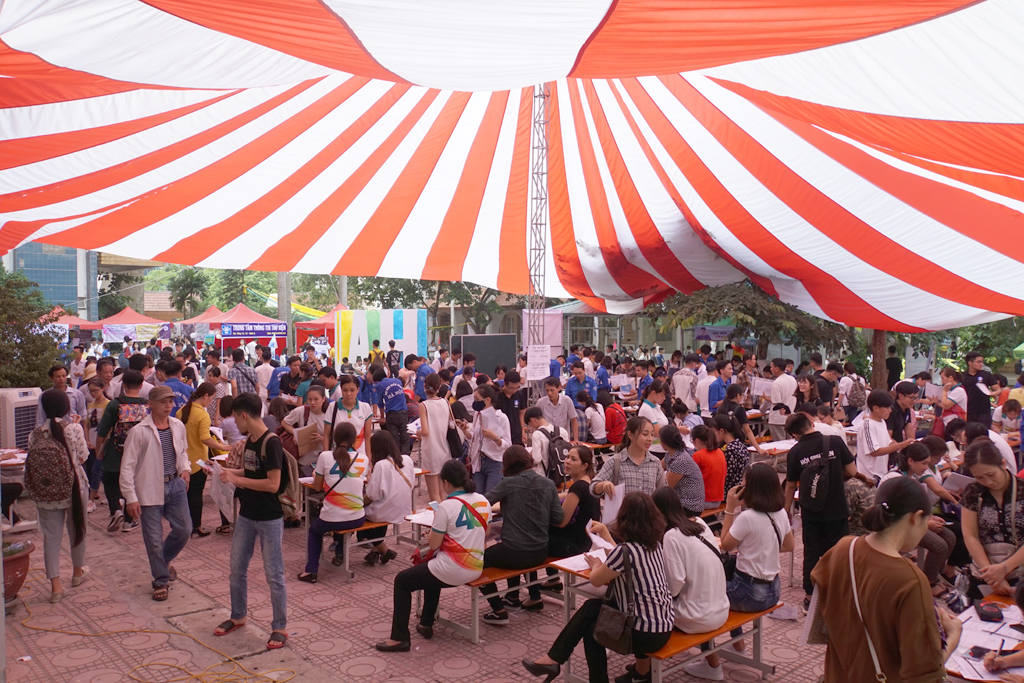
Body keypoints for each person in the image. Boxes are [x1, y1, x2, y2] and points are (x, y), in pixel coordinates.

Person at [811, 477, 963, 683]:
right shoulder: (910, 580)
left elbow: (822, 592)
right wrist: (953, 636)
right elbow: (924, 672)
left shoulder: (844, 548)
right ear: (916, 517)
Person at [522, 492, 673, 683]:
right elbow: (622, 557)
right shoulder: (654, 546)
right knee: (592, 608)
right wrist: (605, 535)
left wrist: (596, 565)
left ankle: (555, 660)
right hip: (663, 625)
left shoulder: (625, 551)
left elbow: (596, 580)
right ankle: (554, 659)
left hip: (643, 633)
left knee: (592, 630)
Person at [691, 464, 795, 681]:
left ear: (752, 488)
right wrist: (759, 547)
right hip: (773, 590)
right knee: (725, 583)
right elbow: (789, 545)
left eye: (744, 483)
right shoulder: (780, 513)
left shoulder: (748, 517)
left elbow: (726, 545)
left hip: (748, 593)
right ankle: (738, 646)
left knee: (703, 599)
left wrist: (730, 509)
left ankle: (711, 664)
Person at [377, 461, 491, 652]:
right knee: (432, 569)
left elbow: (434, 544)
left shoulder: (446, 507)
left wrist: (433, 533)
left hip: (452, 570)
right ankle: (426, 622)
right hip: (476, 567)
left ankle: (399, 638)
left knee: (402, 581)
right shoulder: (483, 501)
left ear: (445, 483)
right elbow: (484, 533)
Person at [214, 393, 289, 650]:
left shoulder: (271, 442)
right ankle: (238, 615)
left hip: (269, 518)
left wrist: (237, 480)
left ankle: (279, 626)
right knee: (237, 568)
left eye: (236, 418)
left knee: (274, 574)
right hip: (247, 515)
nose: (235, 423)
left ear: (244, 415)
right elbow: (252, 471)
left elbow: (272, 484)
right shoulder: (249, 442)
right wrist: (226, 472)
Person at [119, 386, 191, 601]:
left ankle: (162, 561)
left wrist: (185, 469)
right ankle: (160, 579)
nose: (168, 406)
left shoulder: (177, 426)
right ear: (151, 404)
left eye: (170, 401)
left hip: (174, 485)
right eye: (163, 402)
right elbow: (127, 467)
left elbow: (183, 451)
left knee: (184, 529)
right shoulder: (139, 432)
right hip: (149, 488)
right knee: (153, 539)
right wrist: (130, 497)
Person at [477, 446, 563, 624]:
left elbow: (482, 503)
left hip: (514, 552)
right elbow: (558, 518)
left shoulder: (509, 483)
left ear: (507, 464)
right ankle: (516, 597)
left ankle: (498, 610)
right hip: (540, 551)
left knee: (476, 562)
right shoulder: (548, 484)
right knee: (513, 544)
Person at [783, 412, 857, 609]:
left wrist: (786, 511)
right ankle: (838, 594)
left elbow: (790, 485)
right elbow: (852, 471)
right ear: (812, 423)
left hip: (811, 510)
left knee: (811, 553)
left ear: (794, 435)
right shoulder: (834, 441)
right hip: (837, 507)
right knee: (838, 553)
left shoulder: (795, 452)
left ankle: (810, 597)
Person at [27, 389, 89, 602]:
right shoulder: (73, 428)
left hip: (46, 494)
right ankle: (77, 572)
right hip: (74, 488)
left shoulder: (34, 433)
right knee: (77, 529)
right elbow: (83, 457)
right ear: (66, 407)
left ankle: (55, 586)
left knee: (51, 538)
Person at [652, 487, 729, 637]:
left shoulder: (671, 536)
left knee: (647, 609)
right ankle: (716, 654)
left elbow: (673, 588)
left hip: (695, 618)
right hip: (722, 610)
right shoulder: (700, 522)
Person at [297, 422, 369, 581]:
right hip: (357, 517)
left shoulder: (325, 456)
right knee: (343, 519)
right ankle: (340, 552)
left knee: (314, 530)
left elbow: (317, 487)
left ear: (334, 438)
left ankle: (311, 570)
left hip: (331, 519)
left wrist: (316, 474)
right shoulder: (363, 459)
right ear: (354, 440)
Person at [534, 445, 601, 597]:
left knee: (530, 541)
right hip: (584, 542)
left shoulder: (578, 487)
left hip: (572, 546)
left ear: (584, 466)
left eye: (573, 459)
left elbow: (561, 522)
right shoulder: (589, 484)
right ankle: (552, 581)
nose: (567, 461)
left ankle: (532, 595)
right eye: (567, 457)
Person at [961, 439, 1024, 598]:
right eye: (979, 477)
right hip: (985, 572)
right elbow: (970, 535)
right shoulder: (973, 491)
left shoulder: (1022, 490)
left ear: (1003, 464)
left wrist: (1004, 568)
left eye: (991, 475)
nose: (988, 482)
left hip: (1020, 571)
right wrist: (991, 576)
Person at [95, 369, 149, 533]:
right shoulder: (146, 405)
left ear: (123, 384)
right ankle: (128, 521)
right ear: (141, 385)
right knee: (132, 482)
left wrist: (98, 450)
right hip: (138, 452)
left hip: (116, 450)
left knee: (110, 481)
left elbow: (102, 431)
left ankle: (115, 510)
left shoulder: (114, 404)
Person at [176, 383, 229, 538]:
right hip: (199, 461)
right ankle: (196, 526)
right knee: (196, 494)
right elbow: (205, 438)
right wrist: (223, 447)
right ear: (205, 396)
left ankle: (185, 525)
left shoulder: (181, 411)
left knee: (185, 494)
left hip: (183, 460)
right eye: (212, 398)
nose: (212, 401)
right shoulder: (202, 415)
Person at [359, 431, 414, 564]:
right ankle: (377, 551)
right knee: (381, 507)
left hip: (386, 511)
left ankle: (383, 549)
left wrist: (369, 481)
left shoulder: (381, 465)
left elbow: (372, 495)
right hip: (404, 508)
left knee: (358, 517)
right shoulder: (407, 459)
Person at [591, 417, 668, 499]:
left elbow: (664, 491)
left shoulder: (655, 463)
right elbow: (593, 487)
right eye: (645, 434)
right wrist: (603, 485)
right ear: (630, 435)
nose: (650, 439)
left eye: (652, 435)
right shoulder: (616, 461)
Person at [459, 384, 511, 494]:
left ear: (487, 400)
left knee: (491, 496)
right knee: (477, 495)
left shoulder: (501, 418)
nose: (475, 402)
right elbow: (474, 437)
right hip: (478, 461)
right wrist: (465, 431)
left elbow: (508, 444)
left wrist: (494, 437)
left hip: (494, 461)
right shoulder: (477, 415)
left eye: (477, 399)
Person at [856, 390, 914, 482]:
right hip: (869, 476)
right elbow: (874, 451)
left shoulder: (882, 422)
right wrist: (901, 445)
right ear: (876, 408)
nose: (890, 411)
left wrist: (907, 446)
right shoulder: (868, 425)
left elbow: (889, 443)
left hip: (881, 473)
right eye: (887, 408)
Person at [282, 385, 330, 473]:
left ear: (323, 399)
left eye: (316, 399)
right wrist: (295, 433)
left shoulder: (329, 414)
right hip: (304, 459)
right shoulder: (301, 411)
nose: (312, 402)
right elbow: (285, 422)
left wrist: (322, 439)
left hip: (322, 458)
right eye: (310, 399)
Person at [322, 375, 373, 457]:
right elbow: (326, 435)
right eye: (345, 390)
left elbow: (367, 436)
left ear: (358, 390)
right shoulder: (332, 407)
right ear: (341, 390)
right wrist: (326, 456)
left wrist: (369, 458)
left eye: (352, 390)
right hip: (337, 455)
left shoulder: (365, 408)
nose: (348, 394)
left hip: (359, 456)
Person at [661, 425, 706, 515]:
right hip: (684, 503)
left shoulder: (680, 460)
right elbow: (658, 467)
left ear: (663, 444)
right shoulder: (671, 454)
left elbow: (665, 488)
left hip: (690, 507)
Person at [711, 414, 750, 495]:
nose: (713, 434)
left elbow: (728, 475)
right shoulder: (739, 443)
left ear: (722, 431)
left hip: (732, 490)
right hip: (741, 486)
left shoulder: (730, 450)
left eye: (714, 431)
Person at [374, 366, 410, 455]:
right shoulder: (398, 381)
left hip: (391, 414)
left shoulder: (379, 385)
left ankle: (396, 458)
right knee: (405, 438)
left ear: (377, 380)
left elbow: (380, 403)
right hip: (403, 413)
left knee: (394, 439)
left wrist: (382, 417)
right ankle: (406, 458)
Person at [689, 424, 726, 509]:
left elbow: (689, 478)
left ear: (697, 440)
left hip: (703, 500)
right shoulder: (720, 452)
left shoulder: (698, 455)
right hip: (718, 500)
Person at [525, 406, 569, 476]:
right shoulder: (562, 431)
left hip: (544, 474)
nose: (531, 427)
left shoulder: (537, 434)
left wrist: (531, 454)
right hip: (562, 473)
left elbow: (537, 459)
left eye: (530, 425)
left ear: (532, 420)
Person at [963, 350, 999, 427]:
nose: (981, 364)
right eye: (979, 362)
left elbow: (998, 390)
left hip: (984, 411)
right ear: (970, 363)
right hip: (968, 410)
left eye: (982, 361)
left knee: (984, 431)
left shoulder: (986, 375)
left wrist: (994, 393)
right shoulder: (962, 377)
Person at [537, 376, 578, 441]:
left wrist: (576, 439)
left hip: (563, 439)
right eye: (547, 390)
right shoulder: (541, 402)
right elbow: (536, 421)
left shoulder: (567, 400)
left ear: (559, 388)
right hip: (546, 438)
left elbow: (574, 420)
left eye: (552, 390)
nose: (549, 393)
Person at [493, 369, 527, 446]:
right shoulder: (497, 396)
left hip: (516, 433)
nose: (514, 390)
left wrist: (522, 430)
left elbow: (521, 413)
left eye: (517, 387)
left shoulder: (519, 395)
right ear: (504, 384)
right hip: (502, 434)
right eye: (511, 388)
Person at [637, 379, 670, 458]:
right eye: (662, 395)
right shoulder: (646, 409)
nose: (664, 398)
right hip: (653, 450)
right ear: (653, 393)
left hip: (661, 449)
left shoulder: (656, 406)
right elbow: (657, 432)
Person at [767, 358, 798, 440]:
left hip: (778, 418)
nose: (770, 369)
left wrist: (766, 398)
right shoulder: (793, 379)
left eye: (772, 367)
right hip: (790, 416)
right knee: (789, 443)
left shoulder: (776, 383)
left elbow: (777, 403)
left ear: (777, 369)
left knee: (779, 444)